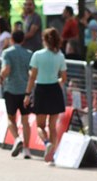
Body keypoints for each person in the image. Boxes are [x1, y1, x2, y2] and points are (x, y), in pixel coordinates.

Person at [24, 28, 67, 165]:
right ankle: (51, 156)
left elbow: (32, 77)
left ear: (44, 40)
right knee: (52, 126)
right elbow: (64, 78)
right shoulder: (60, 56)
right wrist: (57, 82)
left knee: (40, 126)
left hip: (41, 90)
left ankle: (46, 143)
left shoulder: (37, 55)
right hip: (54, 90)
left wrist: (27, 94)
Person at [0, 30, 33, 159]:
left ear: (12, 39)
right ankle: (27, 150)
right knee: (25, 120)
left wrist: (1, 76)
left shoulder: (7, 52)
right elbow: (31, 72)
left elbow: (6, 69)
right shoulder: (29, 53)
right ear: (23, 40)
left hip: (11, 89)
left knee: (10, 118)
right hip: (25, 90)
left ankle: (17, 139)